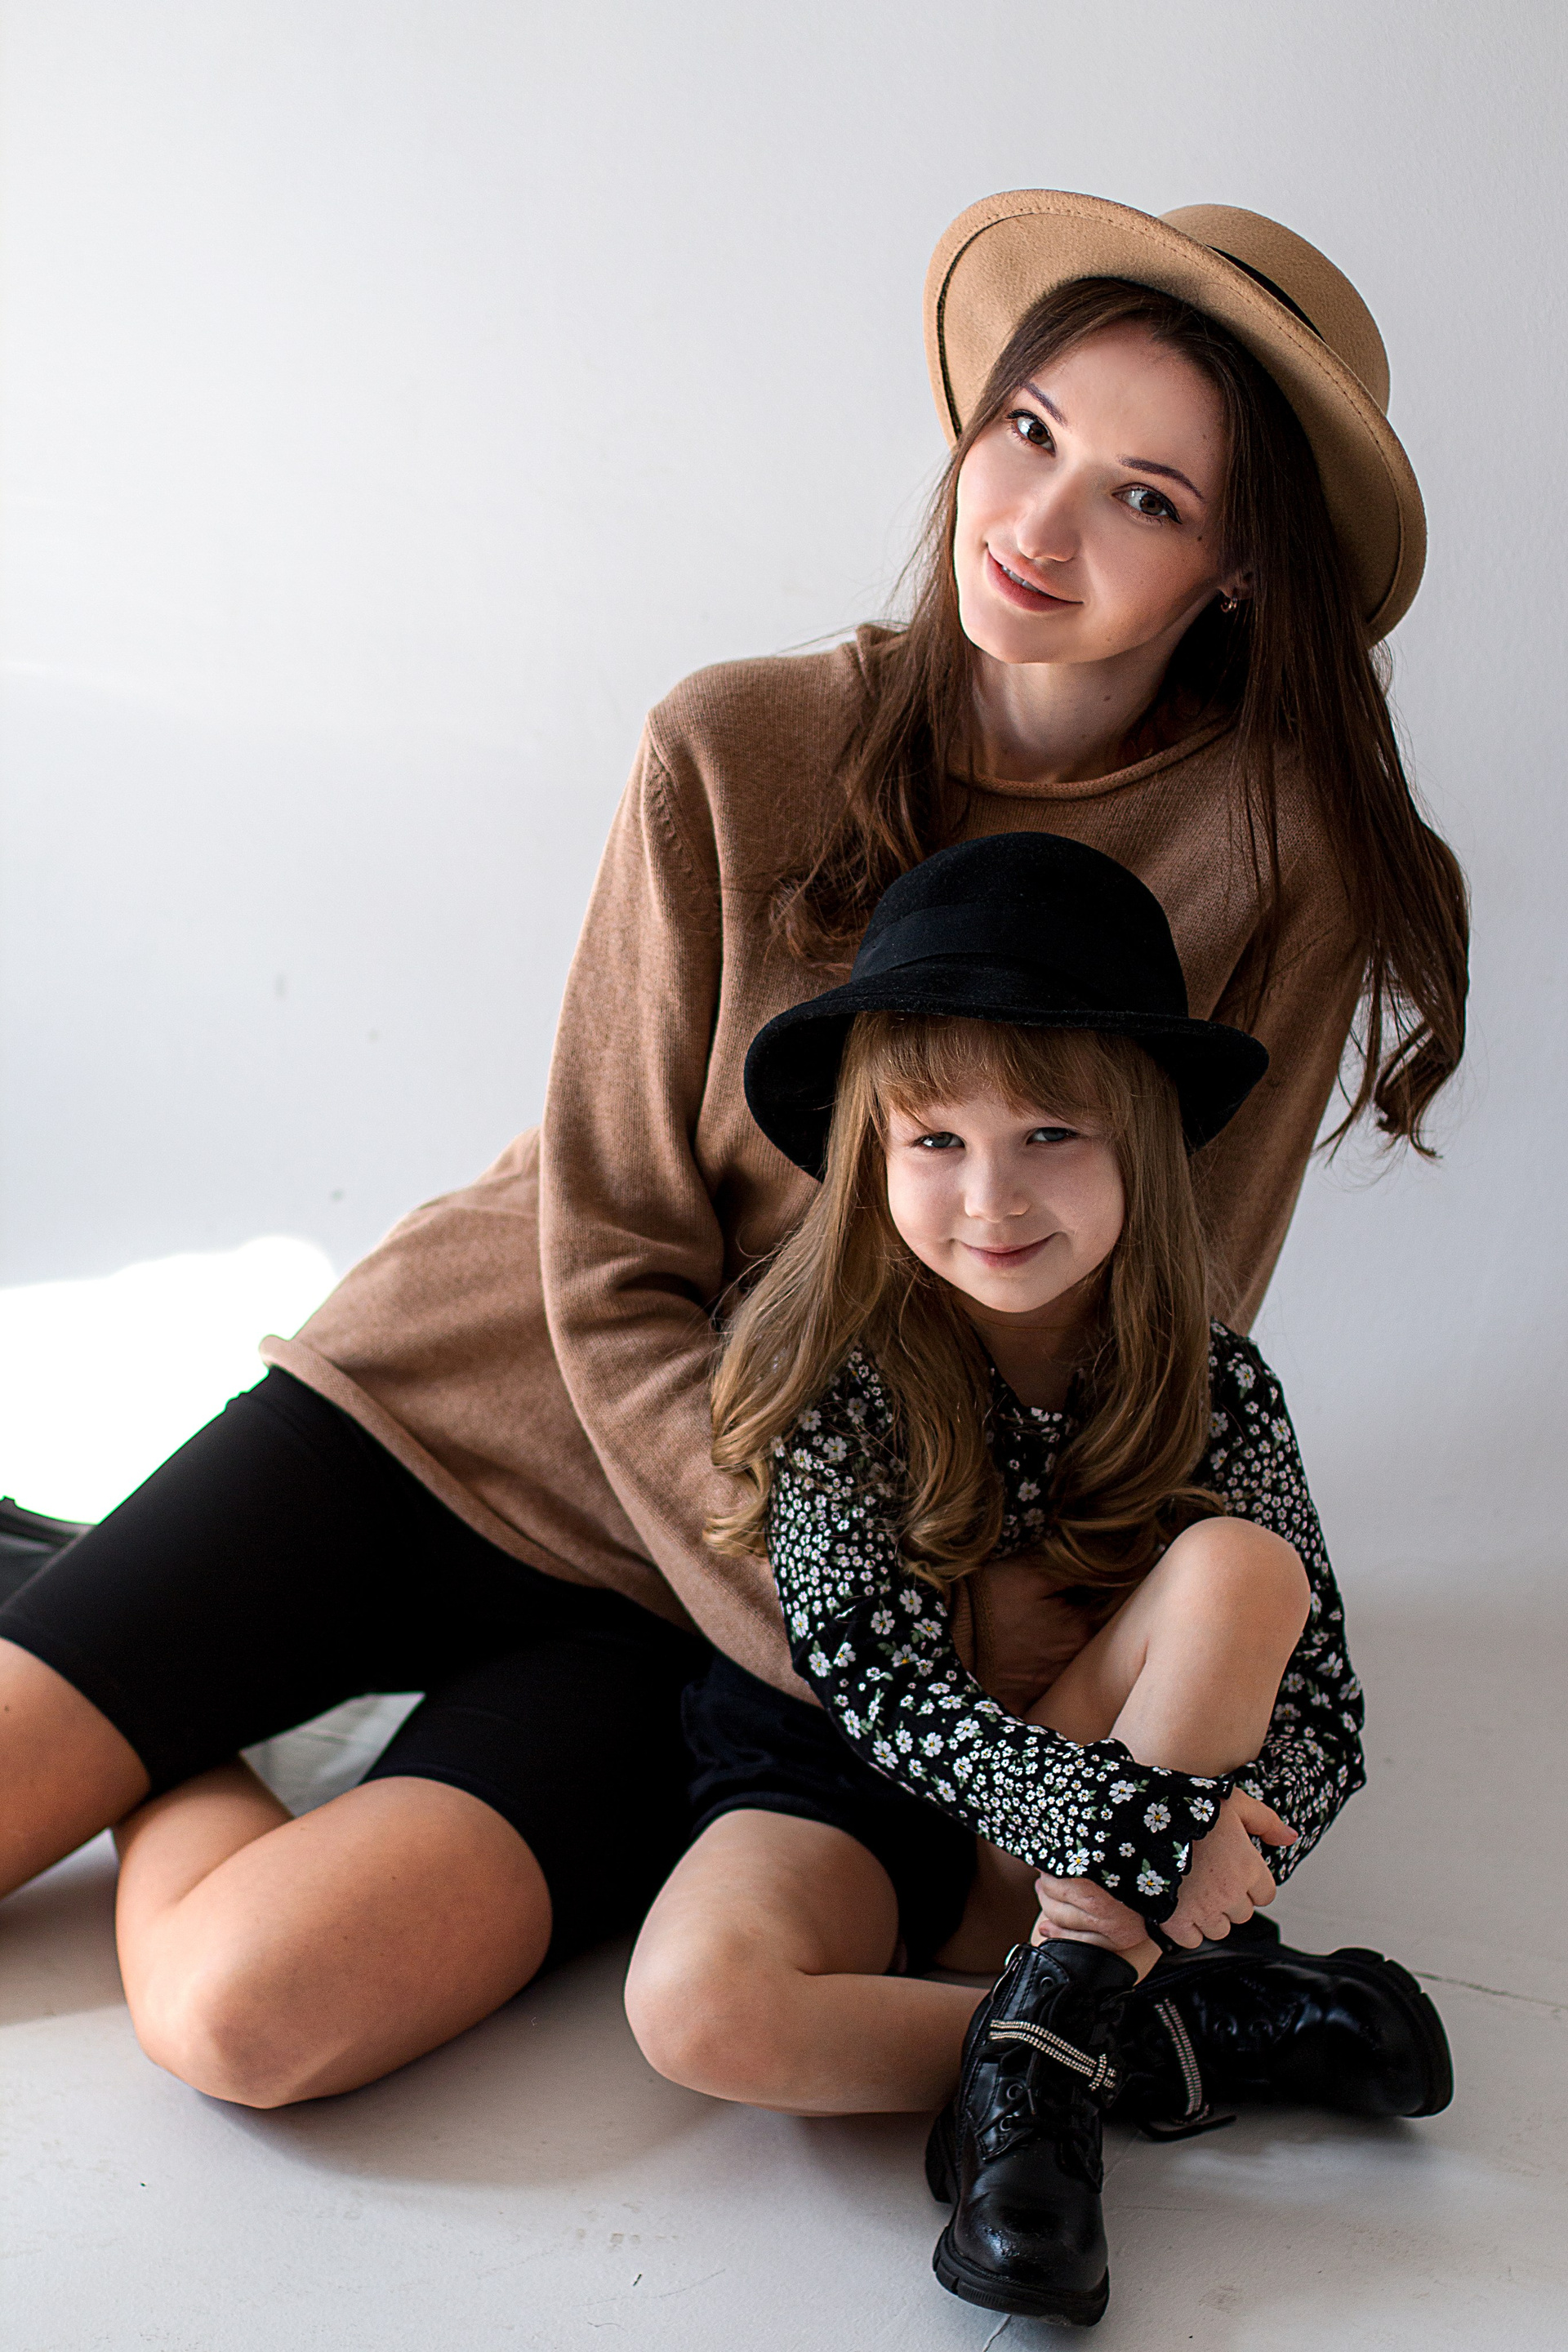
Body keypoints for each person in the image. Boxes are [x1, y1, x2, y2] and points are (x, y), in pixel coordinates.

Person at [0, 192, 1466, 2109]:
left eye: (1145, 496)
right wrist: (861, 1639)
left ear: (1243, 566)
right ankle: (145, 1627)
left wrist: (915, 1632)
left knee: (246, 2022)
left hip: (736, 1592)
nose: (1036, 527)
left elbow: (1167, 1319)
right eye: (1028, 434)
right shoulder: (735, 746)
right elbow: (609, 1252)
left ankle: (178, 1688)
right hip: (464, 1410)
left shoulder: (1285, 861)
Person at [625, 832, 1453, 2326]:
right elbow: (882, 1691)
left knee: (1240, 1568)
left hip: (1087, 1828)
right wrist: (1151, 1834)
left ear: (1141, 1143)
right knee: (696, 2013)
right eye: (935, 1143)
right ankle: (1172, 2037)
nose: (992, 1197)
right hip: (848, 1781)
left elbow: (1322, 1711)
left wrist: (1214, 1837)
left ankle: (1040, 2078)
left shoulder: (1214, 1384)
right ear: (871, 1157)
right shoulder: (834, 1377)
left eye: (1050, 1135)